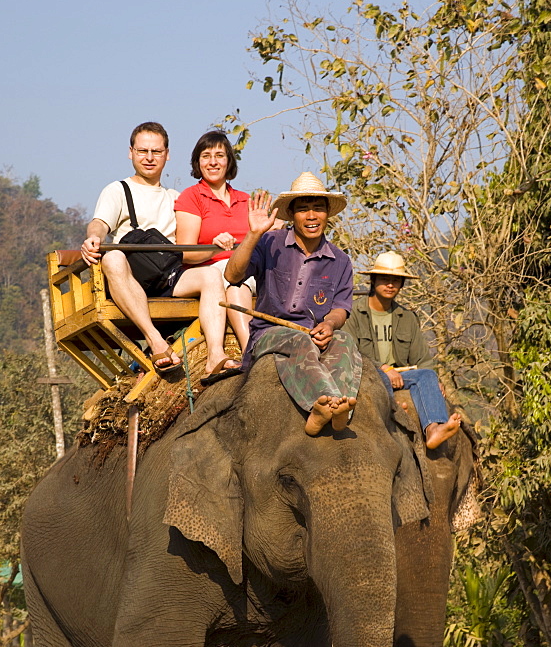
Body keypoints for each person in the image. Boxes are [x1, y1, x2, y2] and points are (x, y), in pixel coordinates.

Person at [80, 121, 239, 378]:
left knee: (210, 275)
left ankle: (215, 354)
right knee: (113, 258)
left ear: (167, 154)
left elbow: (192, 242)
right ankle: (155, 341)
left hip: (169, 274)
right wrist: (93, 238)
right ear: (130, 152)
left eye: (156, 151)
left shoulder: (177, 197)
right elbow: (99, 223)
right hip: (131, 277)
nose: (149, 158)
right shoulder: (118, 190)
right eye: (143, 151)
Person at [225, 172, 360, 436]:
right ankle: (324, 402)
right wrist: (252, 234)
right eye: (303, 209)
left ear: (327, 214)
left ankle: (340, 410)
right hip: (270, 334)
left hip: (315, 333)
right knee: (301, 341)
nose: (311, 216)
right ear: (292, 214)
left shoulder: (341, 260)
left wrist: (330, 324)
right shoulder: (269, 243)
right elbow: (232, 276)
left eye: (318, 208)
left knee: (345, 341)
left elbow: (341, 307)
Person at [345, 251, 461, 449]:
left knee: (426, 376)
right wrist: (383, 368)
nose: (390, 284)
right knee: (379, 379)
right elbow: (349, 351)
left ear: (402, 284)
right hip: (368, 373)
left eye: (396, 280)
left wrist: (434, 382)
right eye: (384, 279)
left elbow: (423, 358)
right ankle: (394, 415)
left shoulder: (407, 317)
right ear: (373, 280)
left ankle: (434, 429)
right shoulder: (353, 313)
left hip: (400, 375)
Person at [174, 130, 254, 351]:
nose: (213, 162)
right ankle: (248, 349)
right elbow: (186, 253)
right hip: (210, 271)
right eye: (206, 156)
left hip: (249, 269)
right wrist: (213, 248)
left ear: (229, 161)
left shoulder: (246, 200)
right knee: (235, 280)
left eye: (219, 155)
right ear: (197, 162)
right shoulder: (191, 197)